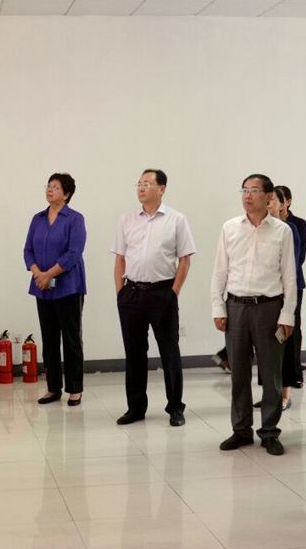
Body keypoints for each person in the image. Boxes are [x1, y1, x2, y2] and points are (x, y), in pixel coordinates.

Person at [211, 174, 296, 456]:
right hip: (236, 307)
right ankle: (241, 431)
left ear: (269, 196)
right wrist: (218, 307)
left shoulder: (282, 231)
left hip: (269, 308)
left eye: (254, 190)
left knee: (271, 374)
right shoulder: (230, 228)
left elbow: (289, 276)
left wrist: (287, 315)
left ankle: (269, 431)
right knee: (238, 373)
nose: (247, 195)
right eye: (244, 190)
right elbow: (219, 271)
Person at [112, 169, 195, 427]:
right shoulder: (126, 220)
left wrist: (173, 293)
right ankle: (136, 407)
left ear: (162, 189)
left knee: (169, 351)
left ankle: (175, 407)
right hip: (132, 293)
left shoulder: (176, 220)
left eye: (147, 184)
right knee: (134, 353)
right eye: (139, 183)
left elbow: (185, 259)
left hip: (163, 293)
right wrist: (120, 293)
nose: (141, 188)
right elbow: (120, 258)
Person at [23, 173, 87, 406]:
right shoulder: (38, 219)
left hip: (69, 287)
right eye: (48, 186)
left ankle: (75, 389)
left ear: (66, 194)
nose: (50, 190)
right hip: (43, 287)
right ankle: (53, 388)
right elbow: (28, 250)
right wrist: (37, 273)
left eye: (56, 187)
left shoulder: (75, 219)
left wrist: (49, 274)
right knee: (49, 339)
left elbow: (74, 253)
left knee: (71, 339)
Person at [268, 186, 303, 410]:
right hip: (266, 295)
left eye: (272, 199)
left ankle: (285, 395)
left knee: (286, 344)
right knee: (268, 346)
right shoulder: (260, 228)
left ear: (283, 204)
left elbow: (293, 264)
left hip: (286, 293)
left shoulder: (290, 229)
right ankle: (270, 392)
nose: (268, 203)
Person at [277, 185, 306, 381]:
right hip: (271, 287)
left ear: (286, 202)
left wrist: (285, 276)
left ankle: (294, 371)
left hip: (293, 282)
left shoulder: (297, 225)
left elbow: (299, 256)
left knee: (292, 326)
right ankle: (280, 373)